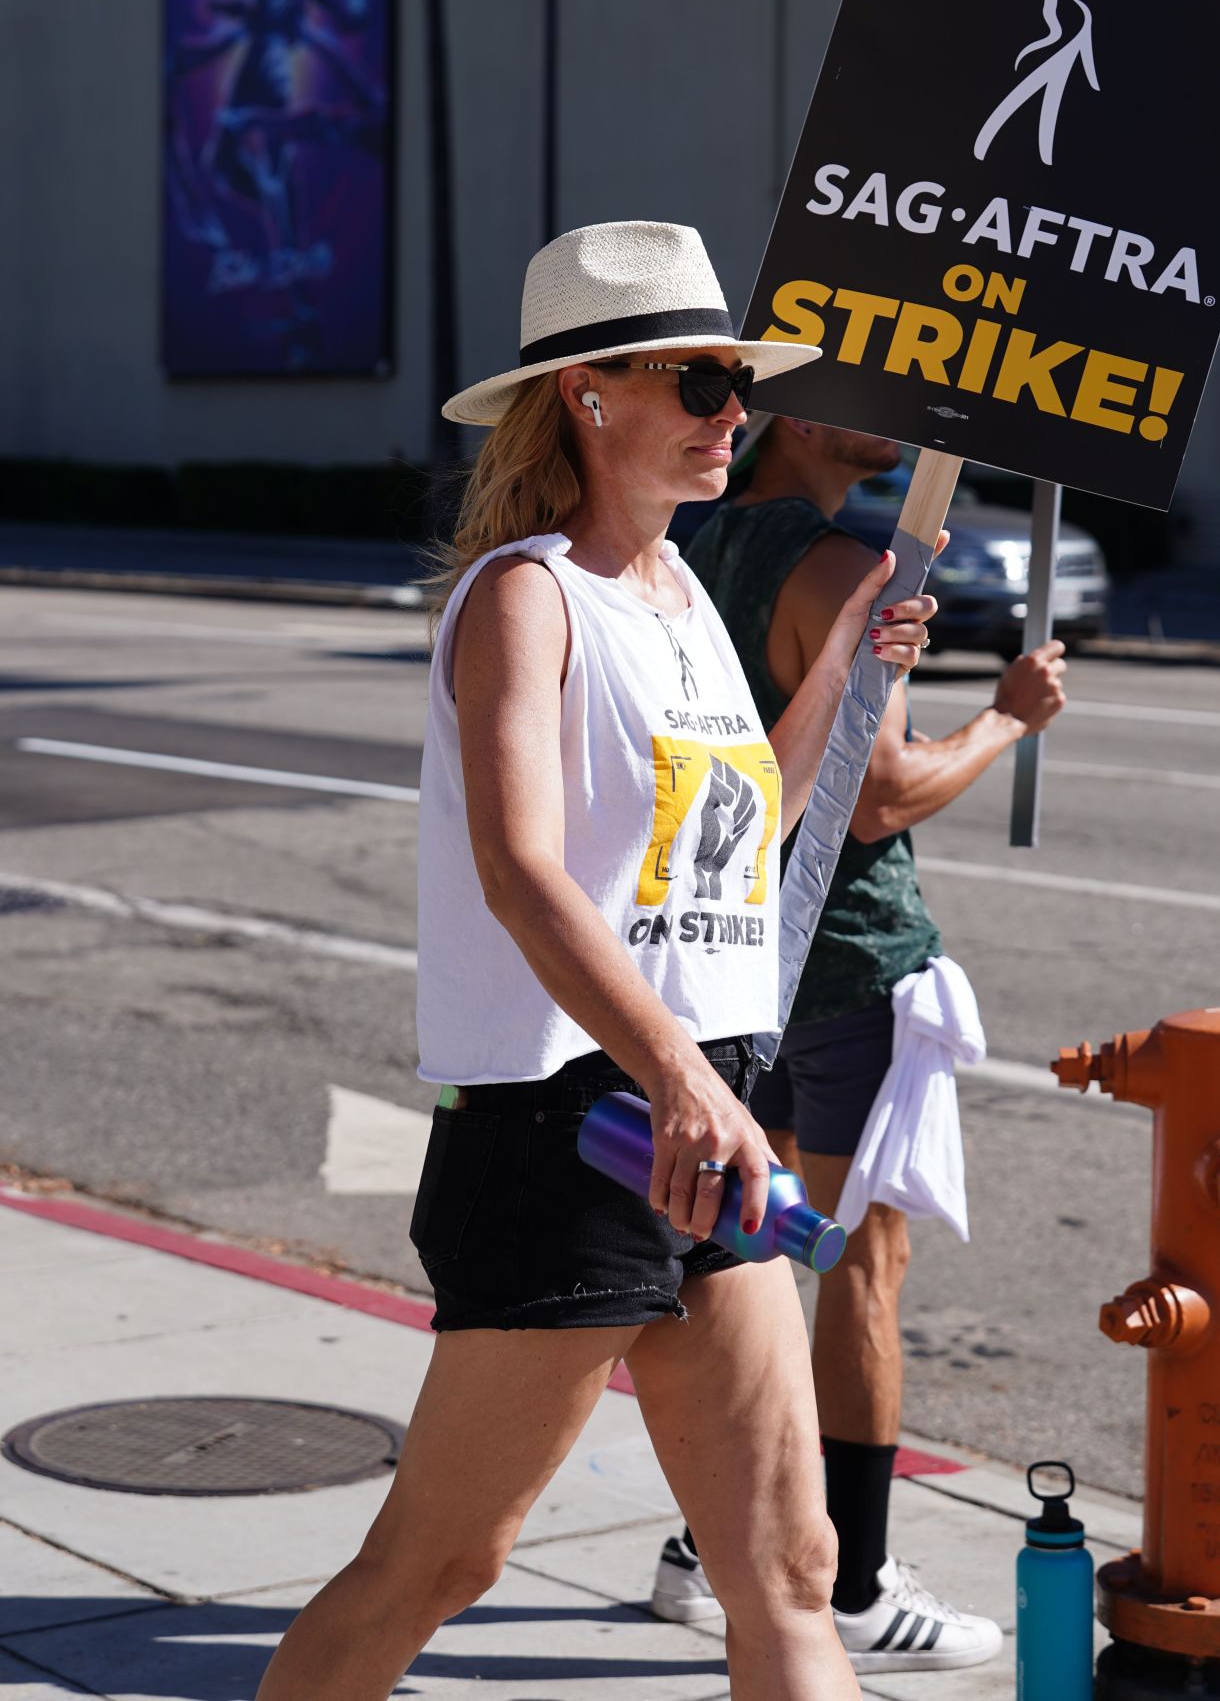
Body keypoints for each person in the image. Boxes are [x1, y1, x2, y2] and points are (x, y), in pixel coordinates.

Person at [255, 222, 939, 1701]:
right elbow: (522, 872)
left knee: (788, 1569)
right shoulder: (525, 594)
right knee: (443, 1562)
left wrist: (847, 662)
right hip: (575, 1125)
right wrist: (677, 1073)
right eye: (700, 381)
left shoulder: (683, 594)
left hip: (709, 1108)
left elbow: (738, 822)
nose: (730, 411)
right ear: (588, 392)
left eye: (736, 384)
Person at [650, 411, 1066, 1671]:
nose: (893, 420)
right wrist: (1006, 720)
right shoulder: (832, 563)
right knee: (858, 1269)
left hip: (734, 967)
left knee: (741, 1264)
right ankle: (859, 1583)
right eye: (862, 391)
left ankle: (698, 1547)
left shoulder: (693, 544)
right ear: (787, 414)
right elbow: (875, 794)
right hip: (843, 963)